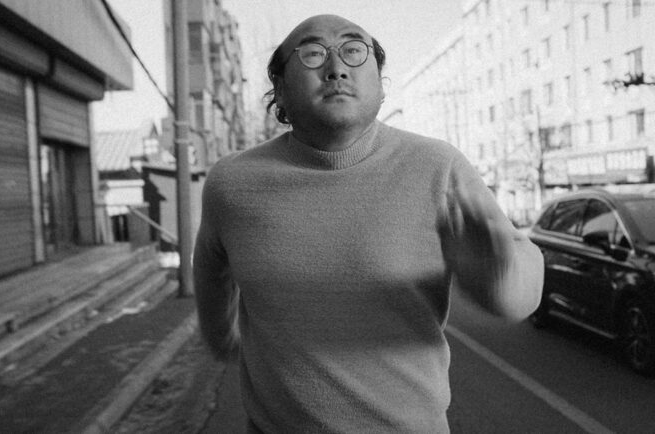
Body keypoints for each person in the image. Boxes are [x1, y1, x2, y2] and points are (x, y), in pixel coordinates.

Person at [193, 14, 544, 433]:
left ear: (380, 83)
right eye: (312, 53)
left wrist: (499, 272)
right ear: (280, 91)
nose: (336, 67)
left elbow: (521, 297)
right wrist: (222, 339)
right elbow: (210, 271)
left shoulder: (436, 166)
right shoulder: (232, 183)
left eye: (354, 51)